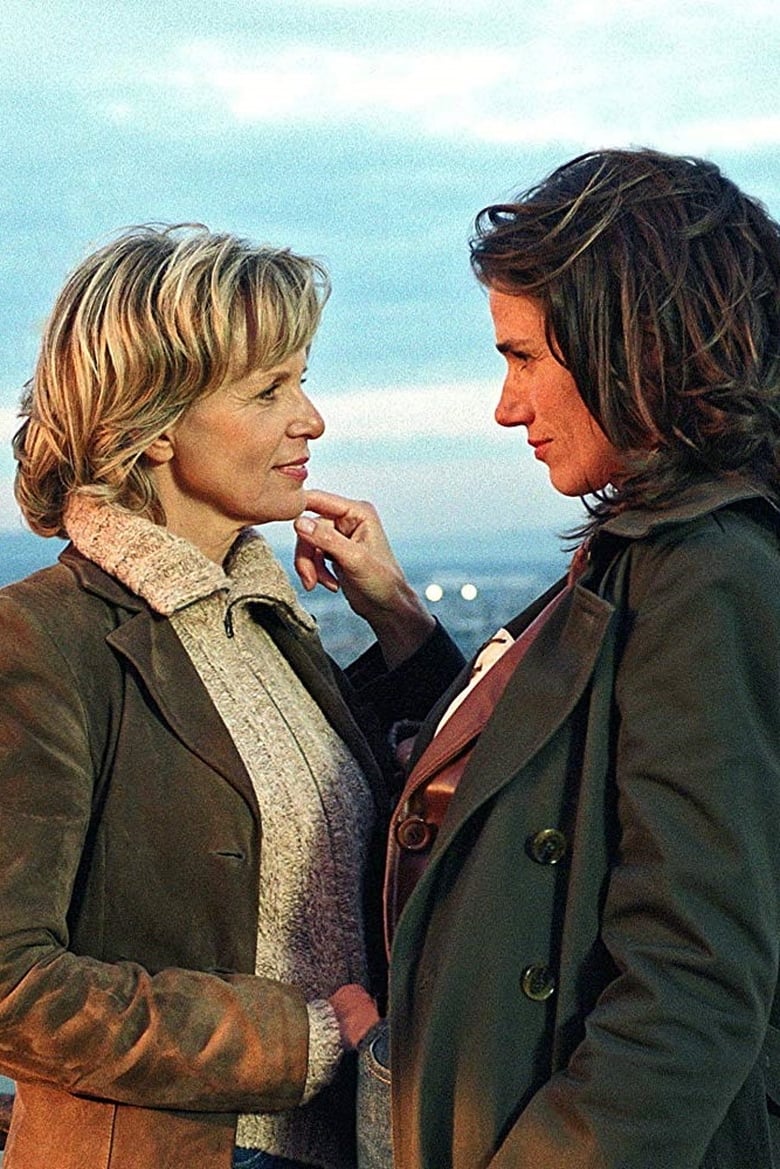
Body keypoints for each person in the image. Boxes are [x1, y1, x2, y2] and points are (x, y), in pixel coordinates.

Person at [301, 148, 780, 1167]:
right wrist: (403, 623)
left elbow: (690, 984)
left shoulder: (709, 572)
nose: (506, 405)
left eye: (522, 357)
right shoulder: (648, 557)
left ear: (630, 342)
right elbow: (537, 774)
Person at [0, 224, 464, 1169]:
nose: (312, 419)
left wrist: (401, 619)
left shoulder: (262, 626)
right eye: (268, 390)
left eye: (302, 381)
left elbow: (439, 803)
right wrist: (299, 1039)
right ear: (154, 425)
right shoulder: (42, 638)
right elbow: (12, 981)